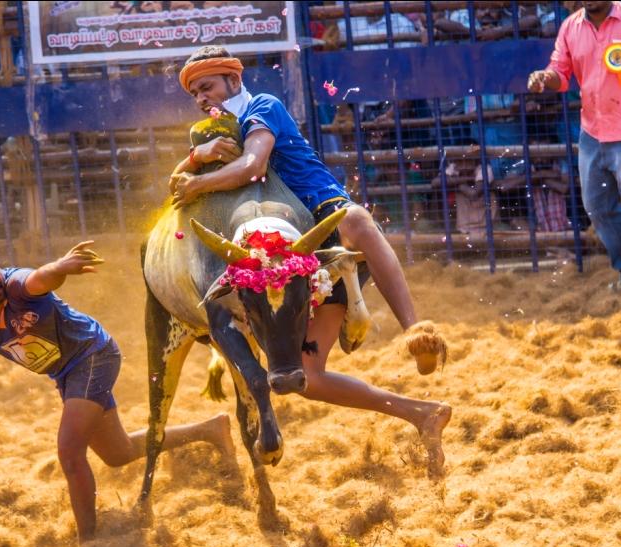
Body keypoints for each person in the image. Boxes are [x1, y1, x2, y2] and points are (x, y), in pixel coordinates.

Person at [168, 48, 452, 477]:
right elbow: (176, 183)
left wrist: (198, 180)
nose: (201, 99)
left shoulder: (264, 107)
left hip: (320, 218)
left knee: (354, 219)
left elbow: (252, 164)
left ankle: (416, 332)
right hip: (279, 256)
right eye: (192, 94)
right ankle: (422, 414)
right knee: (308, 379)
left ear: (233, 79)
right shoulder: (206, 134)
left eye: (206, 87)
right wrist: (196, 157)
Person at [0, 236, 234, 543]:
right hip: (65, 374)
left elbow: (39, 279)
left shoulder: (16, 284)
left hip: (94, 355)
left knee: (69, 452)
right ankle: (212, 429)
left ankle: (89, 545)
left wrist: (61, 267)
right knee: (118, 453)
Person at [528, 0, 621, 303]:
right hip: (593, 133)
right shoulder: (570, 26)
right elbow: (560, 71)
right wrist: (545, 77)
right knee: (597, 208)